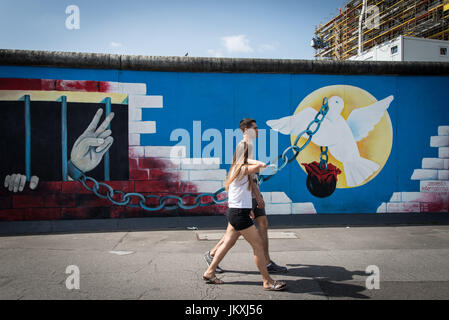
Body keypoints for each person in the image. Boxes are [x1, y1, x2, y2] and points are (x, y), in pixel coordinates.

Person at [202, 122, 286, 291]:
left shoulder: (237, 169)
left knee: (228, 242)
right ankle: (267, 281)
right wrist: (263, 164)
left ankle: (210, 271)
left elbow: (250, 172)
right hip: (238, 213)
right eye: (254, 127)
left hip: (238, 212)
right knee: (258, 246)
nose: (257, 130)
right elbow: (256, 166)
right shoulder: (242, 170)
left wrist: (250, 210)